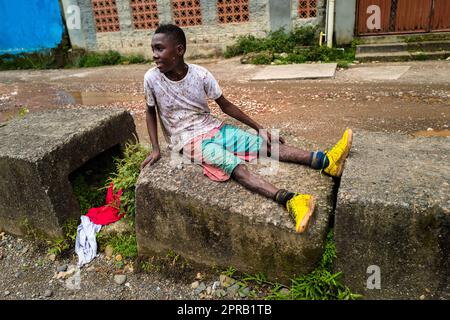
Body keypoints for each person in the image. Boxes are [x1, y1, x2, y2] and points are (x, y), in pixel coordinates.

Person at [141, 24, 352, 234]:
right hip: (188, 141)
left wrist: (259, 127)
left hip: (214, 127)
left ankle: (326, 161)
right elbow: (150, 111)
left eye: (159, 49)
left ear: (179, 50)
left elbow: (225, 105)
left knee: (266, 146)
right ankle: (291, 200)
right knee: (234, 166)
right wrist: (155, 148)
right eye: (153, 49)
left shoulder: (201, 75)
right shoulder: (151, 78)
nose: (154, 55)